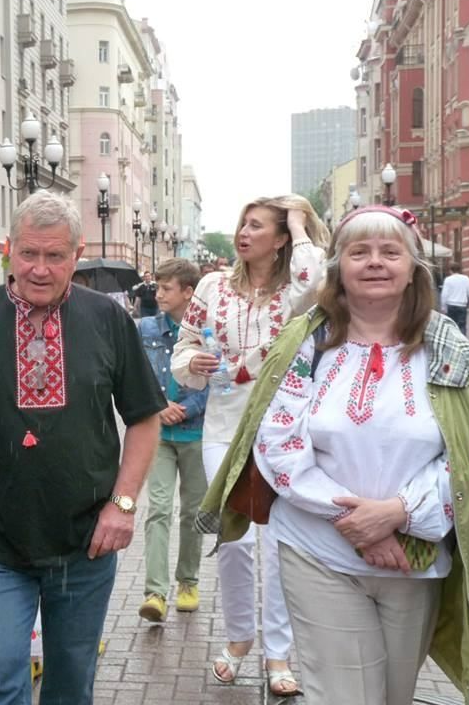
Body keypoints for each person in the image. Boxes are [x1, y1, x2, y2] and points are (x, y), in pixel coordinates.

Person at [199, 205, 469, 704]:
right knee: (343, 695)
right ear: (338, 267)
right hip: (318, 548)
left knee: (395, 695)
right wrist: (356, 521)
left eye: (390, 252)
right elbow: (278, 443)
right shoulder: (307, 342)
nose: (375, 262)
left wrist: (400, 514)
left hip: (414, 558)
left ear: (413, 268)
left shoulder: (449, 348)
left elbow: (468, 448)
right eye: (359, 252)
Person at [0, 190, 164, 705]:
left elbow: (144, 419)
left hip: (87, 541)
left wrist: (122, 505)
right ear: (8, 250)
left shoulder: (108, 320)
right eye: (28, 253)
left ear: (76, 255)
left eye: (54, 256)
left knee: (71, 683)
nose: (39, 268)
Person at [170, 195, 329, 696]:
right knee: (235, 543)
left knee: (278, 545)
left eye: (257, 226)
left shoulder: (296, 291)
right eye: (242, 222)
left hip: (284, 431)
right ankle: (239, 639)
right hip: (222, 428)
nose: (243, 232)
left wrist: (300, 221)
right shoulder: (214, 286)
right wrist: (191, 364)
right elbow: (184, 347)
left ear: (280, 240)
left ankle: (278, 652)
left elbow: (317, 283)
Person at [137, 259, 208, 623]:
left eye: (166, 288)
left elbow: (222, 380)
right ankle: (155, 592)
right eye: (158, 288)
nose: (159, 294)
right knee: (159, 509)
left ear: (188, 292)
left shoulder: (208, 333)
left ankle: (188, 582)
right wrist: (158, 405)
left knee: (193, 513)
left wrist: (189, 406)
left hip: (197, 434)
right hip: (159, 435)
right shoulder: (146, 328)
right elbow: (132, 373)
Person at [439, 261, 469, 334]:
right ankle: (462, 342)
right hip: (462, 305)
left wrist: (443, 307)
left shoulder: (448, 279)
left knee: (451, 326)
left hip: (451, 305)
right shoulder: (466, 278)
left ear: (451, 270)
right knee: (462, 326)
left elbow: (444, 294)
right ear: (460, 270)